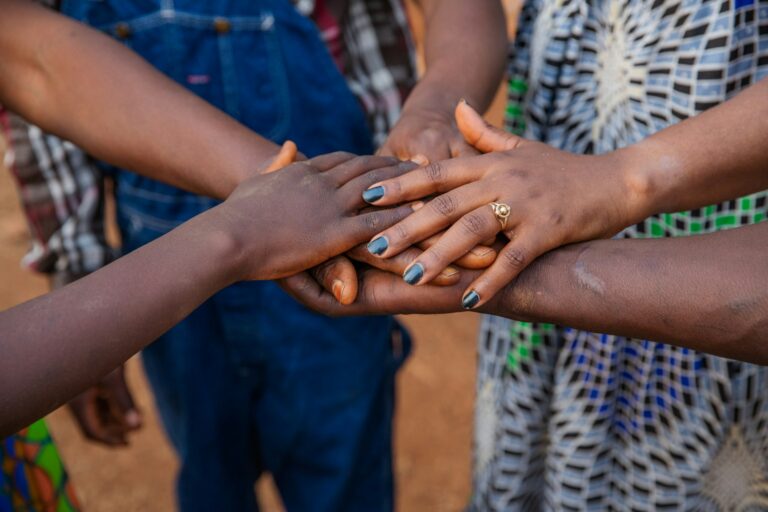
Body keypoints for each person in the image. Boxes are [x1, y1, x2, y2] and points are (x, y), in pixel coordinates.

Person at [288, 1, 768, 508]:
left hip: (721, 180)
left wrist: (625, 179)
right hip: (536, 173)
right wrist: (434, 109)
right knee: (537, 449)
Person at [50, 0, 505, 510]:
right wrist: (79, 269)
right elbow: (36, 62)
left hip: (340, 254)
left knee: (342, 470)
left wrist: (428, 115)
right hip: (171, 285)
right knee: (209, 468)